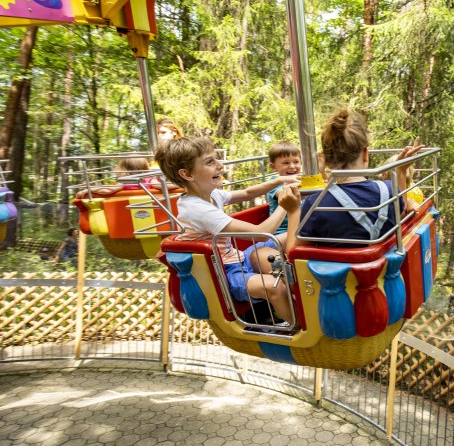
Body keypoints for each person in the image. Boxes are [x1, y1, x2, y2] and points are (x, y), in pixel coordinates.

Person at [154, 136, 301, 325]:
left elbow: (248, 193)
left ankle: (301, 298)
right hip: (225, 273)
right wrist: (286, 207)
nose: (220, 166)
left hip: (238, 257)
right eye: (210, 162)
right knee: (275, 288)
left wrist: (280, 180)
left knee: (284, 240)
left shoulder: (212, 194)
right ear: (188, 174)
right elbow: (261, 231)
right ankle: (299, 329)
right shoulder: (196, 208)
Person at [282, 108, 423, 251]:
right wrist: (401, 171)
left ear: (327, 160)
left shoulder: (316, 203)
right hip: (383, 272)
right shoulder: (388, 190)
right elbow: (400, 215)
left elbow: (293, 254)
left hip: (337, 273)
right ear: (365, 154)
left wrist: (293, 211)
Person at [266, 141, 302, 235]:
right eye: (285, 163)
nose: (292, 166)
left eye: (296, 162)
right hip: (282, 232)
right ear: (273, 166)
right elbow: (285, 193)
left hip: (301, 227)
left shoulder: (302, 179)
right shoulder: (273, 183)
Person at [75, 157, 152, 198]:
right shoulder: (149, 181)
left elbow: (108, 190)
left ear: (124, 169)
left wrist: (89, 189)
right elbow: (162, 186)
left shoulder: (125, 183)